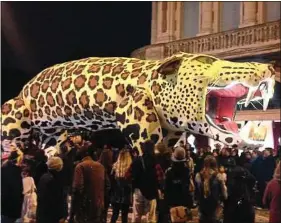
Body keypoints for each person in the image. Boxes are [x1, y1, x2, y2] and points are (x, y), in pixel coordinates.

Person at [70, 141, 109, 223]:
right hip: (99, 205)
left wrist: (72, 213)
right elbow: (108, 185)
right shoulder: (101, 166)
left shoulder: (80, 166)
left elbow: (77, 188)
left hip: (84, 207)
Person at [125, 140, 164, 223]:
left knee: (136, 216)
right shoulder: (156, 161)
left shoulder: (137, 161)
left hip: (138, 191)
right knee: (150, 217)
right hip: (152, 192)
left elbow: (127, 175)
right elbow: (160, 177)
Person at [195, 155, 227, 223]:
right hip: (215, 206)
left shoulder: (198, 175)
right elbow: (224, 194)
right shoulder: (219, 176)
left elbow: (197, 191)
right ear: (215, 164)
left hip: (202, 205)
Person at [164, 147, 193, 222]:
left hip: (172, 201)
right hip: (184, 200)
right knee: (183, 219)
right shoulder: (187, 171)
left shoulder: (169, 171)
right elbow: (188, 187)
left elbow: (166, 188)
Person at [36, 156, 65, 223]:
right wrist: (61, 215)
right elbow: (57, 200)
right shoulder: (54, 179)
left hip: (42, 213)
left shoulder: (44, 176)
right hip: (50, 216)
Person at [110, 149, 132, 223]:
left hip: (116, 195)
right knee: (124, 216)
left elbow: (111, 181)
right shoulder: (130, 168)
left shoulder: (115, 166)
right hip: (126, 195)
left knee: (114, 215)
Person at [1, 150, 24, 223]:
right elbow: (18, 189)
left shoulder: (4, 168)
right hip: (12, 204)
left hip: (5, 203)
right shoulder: (16, 171)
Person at [99, 145, 114, 223]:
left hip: (97, 193)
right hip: (105, 193)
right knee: (104, 210)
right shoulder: (110, 170)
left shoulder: (97, 167)